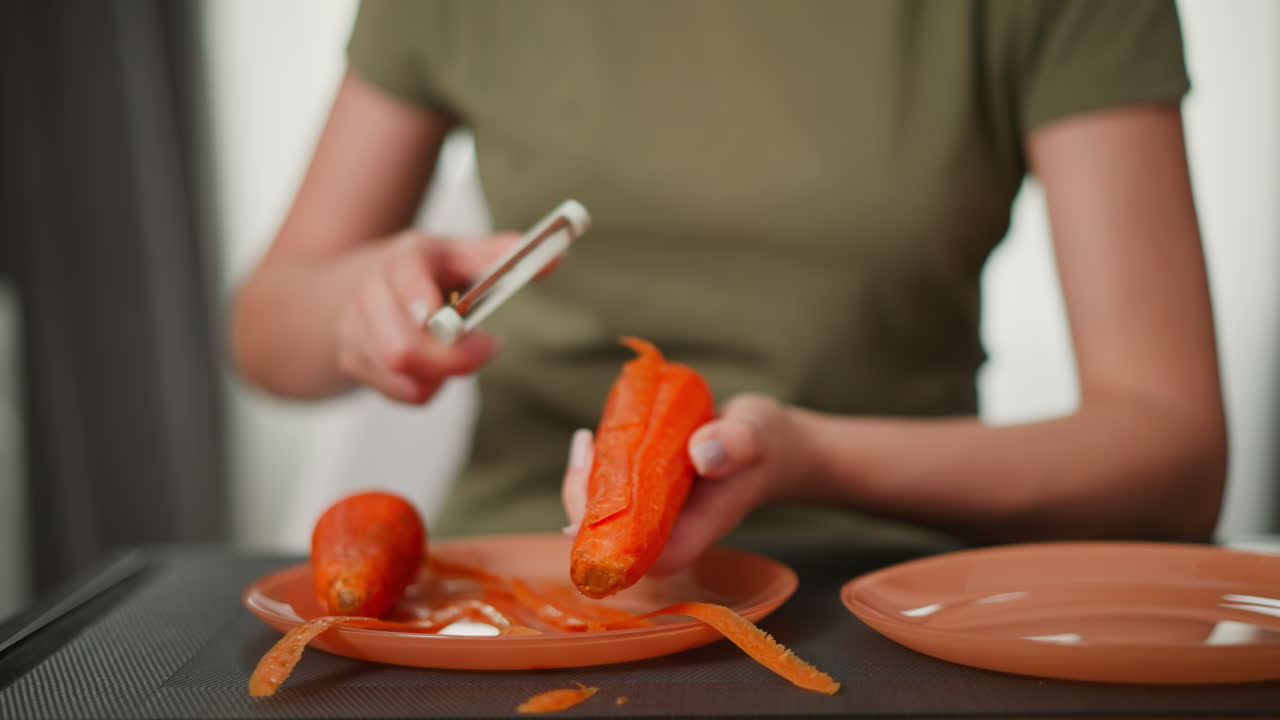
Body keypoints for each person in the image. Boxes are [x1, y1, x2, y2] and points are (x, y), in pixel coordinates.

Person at [229, 0, 1227, 573]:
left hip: (877, 587)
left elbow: (1171, 460)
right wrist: (358, 305)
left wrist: (810, 456)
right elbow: (269, 331)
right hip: (519, 577)